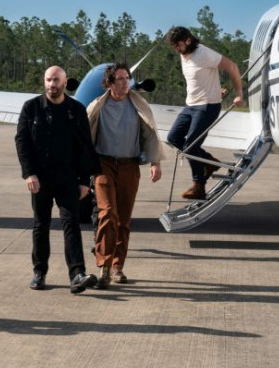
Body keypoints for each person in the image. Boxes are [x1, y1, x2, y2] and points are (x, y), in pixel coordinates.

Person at [15, 65, 99, 294]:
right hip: (40, 178)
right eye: (48, 80)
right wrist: (29, 173)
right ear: (45, 82)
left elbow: (85, 147)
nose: (52, 84)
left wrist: (84, 181)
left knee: (71, 223)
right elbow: (22, 142)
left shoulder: (76, 110)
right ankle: (39, 272)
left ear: (65, 83)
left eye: (56, 80)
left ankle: (77, 274)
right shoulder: (31, 108)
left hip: (67, 178)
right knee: (40, 225)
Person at [87, 63, 165, 289]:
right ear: (110, 83)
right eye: (120, 79)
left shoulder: (140, 106)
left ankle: (117, 266)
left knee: (123, 218)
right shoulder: (97, 106)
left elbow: (150, 135)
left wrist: (155, 163)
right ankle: (104, 266)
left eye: (127, 78)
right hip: (103, 164)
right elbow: (84, 136)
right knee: (107, 213)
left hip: (129, 165)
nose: (125, 83)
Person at [165, 26, 244, 199]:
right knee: (173, 138)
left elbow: (232, 66)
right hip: (190, 105)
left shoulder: (204, 53)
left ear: (188, 40)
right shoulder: (184, 54)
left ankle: (198, 186)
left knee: (191, 146)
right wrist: (215, 89)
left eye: (178, 45)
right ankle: (210, 162)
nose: (176, 49)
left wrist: (239, 94)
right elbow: (201, 78)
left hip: (207, 106)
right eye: (174, 46)